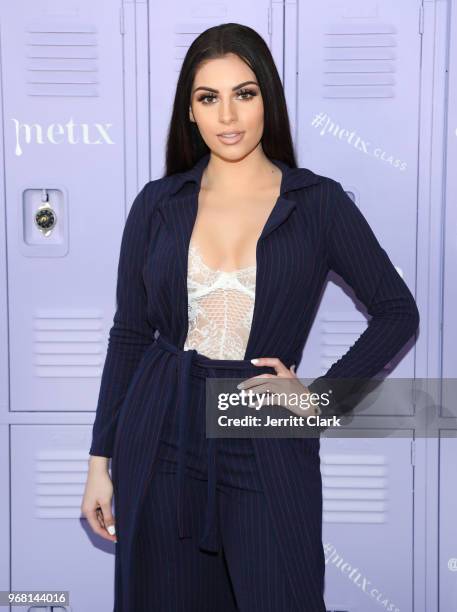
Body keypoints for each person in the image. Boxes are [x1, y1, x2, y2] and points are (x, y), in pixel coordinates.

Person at [81, 22, 419, 612]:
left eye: (245, 93)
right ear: (190, 111)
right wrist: (98, 461)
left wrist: (321, 400)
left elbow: (397, 311)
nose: (228, 116)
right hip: (160, 420)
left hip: (258, 417)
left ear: (269, 98)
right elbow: (130, 334)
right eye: (208, 98)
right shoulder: (157, 205)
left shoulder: (318, 203)